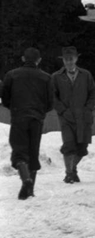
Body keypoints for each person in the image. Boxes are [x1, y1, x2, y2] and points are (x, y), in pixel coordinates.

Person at [1, 47, 53, 200]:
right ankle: (30, 189)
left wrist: (16, 108)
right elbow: (50, 103)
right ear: (39, 60)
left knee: (19, 152)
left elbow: (5, 99)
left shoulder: (11, 75)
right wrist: (40, 112)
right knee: (33, 151)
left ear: (23, 59)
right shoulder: (46, 78)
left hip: (19, 117)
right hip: (37, 118)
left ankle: (26, 180)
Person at [50, 46, 95, 184]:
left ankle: (73, 169)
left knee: (82, 148)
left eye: (71, 59)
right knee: (69, 145)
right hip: (66, 117)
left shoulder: (86, 75)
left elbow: (93, 93)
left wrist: (88, 109)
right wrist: (63, 111)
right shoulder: (56, 76)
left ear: (76, 59)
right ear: (63, 61)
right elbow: (53, 97)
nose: (69, 62)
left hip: (83, 117)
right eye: (66, 59)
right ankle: (69, 173)